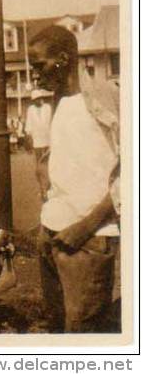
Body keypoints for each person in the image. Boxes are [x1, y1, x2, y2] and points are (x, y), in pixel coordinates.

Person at [29, 26, 120, 333]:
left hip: (89, 240)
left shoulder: (104, 96)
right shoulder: (56, 101)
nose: (35, 76)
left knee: (83, 335)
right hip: (53, 237)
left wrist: (85, 226)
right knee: (58, 329)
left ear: (64, 59)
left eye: (39, 66)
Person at [24, 89, 53, 201]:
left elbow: (50, 123)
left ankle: (50, 187)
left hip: (48, 141)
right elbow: (29, 126)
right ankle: (42, 189)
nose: (39, 101)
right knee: (39, 166)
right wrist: (29, 139)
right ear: (33, 101)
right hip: (37, 142)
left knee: (49, 164)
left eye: (40, 98)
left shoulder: (47, 108)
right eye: (36, 99)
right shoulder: (31, 110)